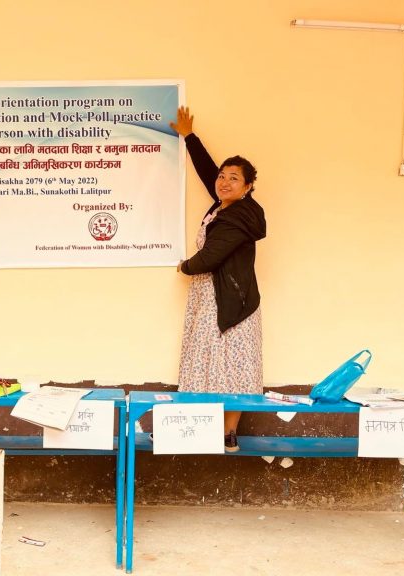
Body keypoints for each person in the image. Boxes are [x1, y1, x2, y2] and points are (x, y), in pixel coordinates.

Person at [170, 107, 266, 453]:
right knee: (209, 361)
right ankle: (200, 429)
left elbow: (208, 259)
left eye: (233, 178)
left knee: (232, 366)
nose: (224, 181)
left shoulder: (237, 217)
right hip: (214, 295)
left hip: (228, 300)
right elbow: (208, 172)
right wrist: (189, 136)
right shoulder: (226, 205)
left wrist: (183, 266)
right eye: (223, 176)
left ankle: (228, 433)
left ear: (248, 186)